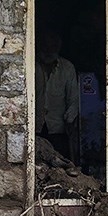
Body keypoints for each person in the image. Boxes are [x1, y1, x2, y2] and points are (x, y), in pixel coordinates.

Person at [36, 29, 80, 164]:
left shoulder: (67, 68)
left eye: (53, 46)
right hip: (35, 128)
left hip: (58, 129)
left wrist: (70, 120)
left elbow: (73, 99)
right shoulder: (30, 66)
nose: (49, 50)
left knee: (61, 167)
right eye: (46, 46)